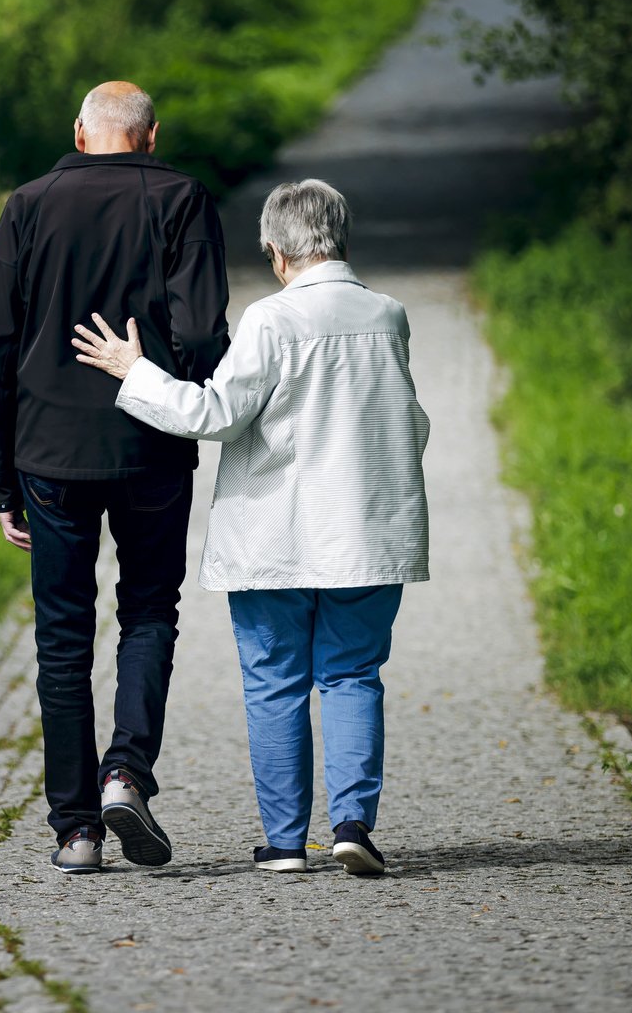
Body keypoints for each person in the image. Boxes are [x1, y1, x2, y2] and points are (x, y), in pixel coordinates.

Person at [71, 179, 429, 876]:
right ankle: (353, 824)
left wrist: (133, 370)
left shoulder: (271, 321)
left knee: (275, 681)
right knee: (354, 675)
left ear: (275, 251)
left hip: (278, 537)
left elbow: (214, 414)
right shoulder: (389, 315)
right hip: (368, 532)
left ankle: (287, 843)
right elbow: (410, 423)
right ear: (341, 237)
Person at [0, 81, 231, 874]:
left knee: (62, 639)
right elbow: (202, 332)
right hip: (149, 444)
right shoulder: (183, 200)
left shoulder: (29, 204)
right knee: (149, 611)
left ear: (80, 136)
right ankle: (126, 773)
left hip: (47, 454)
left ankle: (75, 829)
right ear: (151, 138)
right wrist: (175, 386)